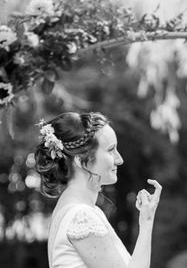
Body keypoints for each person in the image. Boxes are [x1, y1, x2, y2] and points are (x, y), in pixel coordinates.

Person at [35, 111, 161, 268]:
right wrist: (147, 223)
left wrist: (146, 220)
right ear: (81, 161)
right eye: (110, 150)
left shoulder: (78, 210)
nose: (119, 160)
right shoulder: (81, 216)